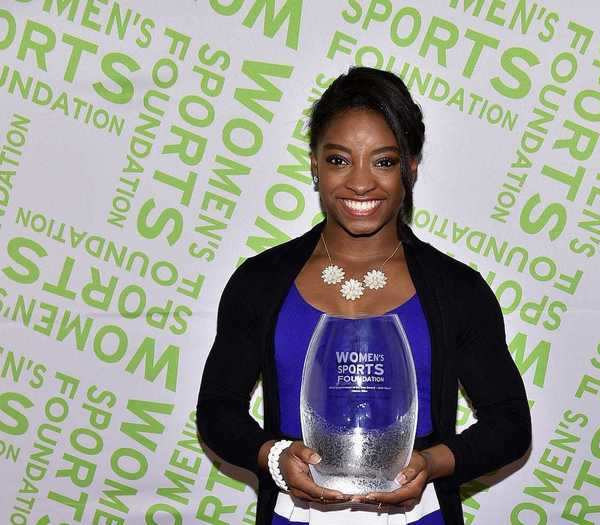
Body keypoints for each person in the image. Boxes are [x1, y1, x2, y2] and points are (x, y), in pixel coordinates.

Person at [196, 66, 531, 525]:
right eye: (338, 160)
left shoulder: (456, 290)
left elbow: (510, 423)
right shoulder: (260, 281)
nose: (359, 183)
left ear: (410, 168)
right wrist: (275, 458)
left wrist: (431, 464)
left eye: (383, 161)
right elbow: (218, 411)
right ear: (314, 164)